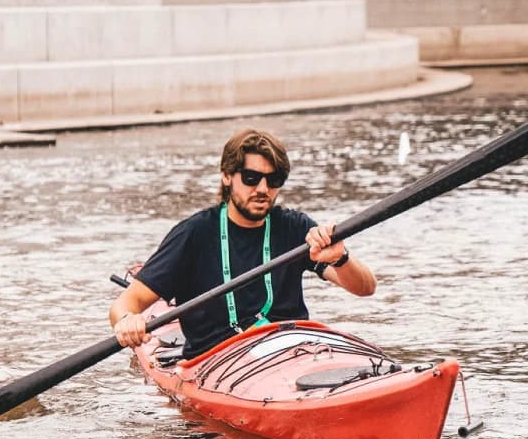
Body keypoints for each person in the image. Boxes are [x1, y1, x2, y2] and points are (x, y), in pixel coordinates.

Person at [109, 128, 376, 359]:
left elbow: (366, 288)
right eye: (251, 178)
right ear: (227, 176)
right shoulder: (194, 233)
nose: (262, 189)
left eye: (273, 181)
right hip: (217, 359)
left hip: (293, 350)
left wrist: (341, 258)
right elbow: (124, 305)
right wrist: (126, 321)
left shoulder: (296, 228)